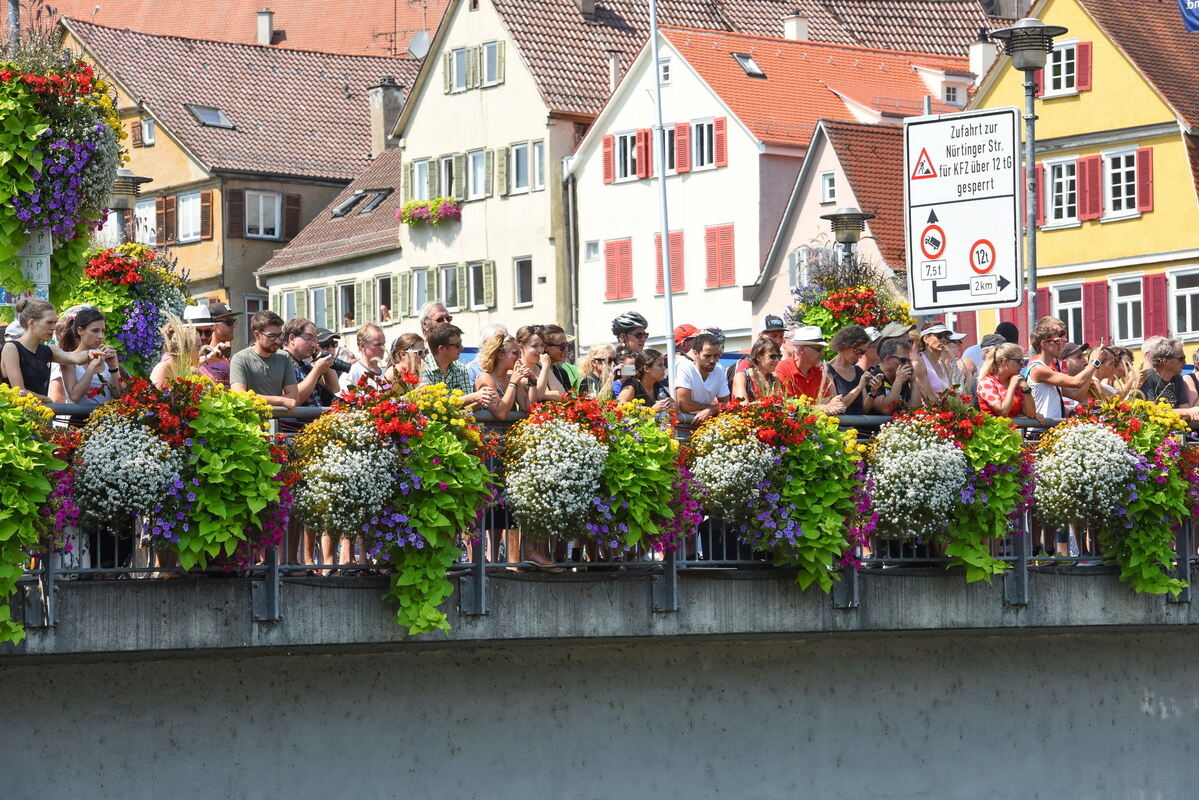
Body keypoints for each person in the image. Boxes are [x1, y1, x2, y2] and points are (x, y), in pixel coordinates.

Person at [0, 298, 108, 400]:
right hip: (16, 417)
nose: (54, 327)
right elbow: (19, 391)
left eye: (55, 322)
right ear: (32, 323)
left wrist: (98, 353)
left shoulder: (49, 349)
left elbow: (74, 357)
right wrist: (46, 400)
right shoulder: (12, 348)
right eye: (49, 322)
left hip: (40, 416)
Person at [49, 306, 125, 407]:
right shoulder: (69, 358)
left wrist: (113, 367)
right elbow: (75, 396)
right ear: (80, 331)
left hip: (107, 419)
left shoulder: (106, 358)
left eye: (103, 331)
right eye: (95, 330)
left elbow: (120, 396)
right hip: (80, 420)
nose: (100, 336)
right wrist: (91, 368)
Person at [1025, 316, 1099, 420]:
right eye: (1057, 341)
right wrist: (1095, 362)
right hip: (1039, 431)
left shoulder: (1049, 369)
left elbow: (1077, 394)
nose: (1062, 344)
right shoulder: (1039, 368)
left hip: (1049, 428)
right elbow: (1076, 382)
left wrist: (1090, 369)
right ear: (1044, 344)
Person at [420, 322, 499, 410]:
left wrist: (482, 400)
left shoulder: (461, 369)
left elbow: (465, 407)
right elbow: (432, 406)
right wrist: (474, 397)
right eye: (457, 345)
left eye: (460, 343)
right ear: (441, 348)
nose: (462, 348)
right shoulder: (423, 370)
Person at [230, 310, 298, 410]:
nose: (277, 340)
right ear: (257, 334)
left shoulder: (284, 357)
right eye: (271, 336)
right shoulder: (240, 358)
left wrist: (259, 399)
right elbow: (239, 395)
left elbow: (294, 396)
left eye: (280, 335)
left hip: (277, 421)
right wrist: (281, 401)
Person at [777, 326, 845, 413]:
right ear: (801, 349)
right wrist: (825, 407)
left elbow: (826, 403)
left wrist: (834, 404)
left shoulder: (819, 371)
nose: (822, 353)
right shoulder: (782, 369)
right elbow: (790, 408)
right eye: (818, 349)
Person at [675, 332, 729, 424]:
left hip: (704, 424)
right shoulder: (686, 368)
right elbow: (684, 405)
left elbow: (726, 403)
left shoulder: (718, 370)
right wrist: (711, 408)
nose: (713, 360)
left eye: (716, 356)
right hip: (683, 425)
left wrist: (711, 410)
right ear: (696, 353)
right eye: (707, 356)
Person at [475, 333, 530, 420]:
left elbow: (528, 408)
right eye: (515, 353)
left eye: (520, 353)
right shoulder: (485, 378)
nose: (519, 357)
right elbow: (501, 413)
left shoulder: (511, 378)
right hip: (491, 432)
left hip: (511, 432)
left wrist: (533, 381)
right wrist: (513, 383)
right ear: (500, 355)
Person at [1140, 336, 1199, 416]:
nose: (1184, 363)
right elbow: (1153, 411)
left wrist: (1191, 413)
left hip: (1175, 425)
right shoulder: (1147, 377)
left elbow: (1184, 407)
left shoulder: (1177, 378)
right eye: (1181, 359)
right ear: (1166, 361)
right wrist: (1187, 412)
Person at [976, 343, 1037, 418]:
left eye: (1023, 361)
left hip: (1012, 429)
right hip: (992, 429)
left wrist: (1026, 389)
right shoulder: (986, 382)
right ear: (1005, 362)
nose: (1023, 365)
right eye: (1019, 361)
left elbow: (1031, 414)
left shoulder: (1016, 381)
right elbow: (1003, 412)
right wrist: (1012, 386)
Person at [825, 326, 872, 415]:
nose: (860, 356)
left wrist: (873, 392)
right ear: (845, 345)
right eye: (858, 351)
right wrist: (859, 387)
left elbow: (864, 409)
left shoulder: (859, 371)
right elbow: (837, 407)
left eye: (863, 353)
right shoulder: (828, 371)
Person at [514, 324, 566, 404]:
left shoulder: (541, 367)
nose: (540, 350)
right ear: (521, 347)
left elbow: (563, 395)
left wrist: (544, 394)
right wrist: (553, 394)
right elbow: (537, 397)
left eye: (542, 345)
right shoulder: (517, 370)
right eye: (534, 346)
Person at [867, 336, 914, 414]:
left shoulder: (901, 378)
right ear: (888, 359)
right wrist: (898, 382)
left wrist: (913, 382)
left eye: (909, 361)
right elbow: (885, 409)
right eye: (903, 360)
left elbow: (914, 410)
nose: (908, 365)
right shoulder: (874, 376)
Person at [149, 315, 199, 389]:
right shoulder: (163, 369)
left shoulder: (193, 371)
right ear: (187, 350)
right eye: (198, 347)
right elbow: (155, 397)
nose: (200, 352)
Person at [731, 314, 786, 379]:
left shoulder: (781, 363)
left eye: (781, 336)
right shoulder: (746, 364)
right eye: (774, 336)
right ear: (760, 336)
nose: (778, 341)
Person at [201, 300, 240, 386]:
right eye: (229, 322)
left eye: (233, 321)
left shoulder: (227, 357)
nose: (234, 325)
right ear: (212, 325)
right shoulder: (203, 357)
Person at [541, 324, 576, 391]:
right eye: (562, 346)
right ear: (546, 347)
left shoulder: (562, 372)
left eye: (567, 345)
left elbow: (569, 398)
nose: (566, 350)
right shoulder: (536, 370)